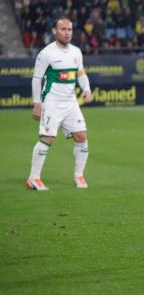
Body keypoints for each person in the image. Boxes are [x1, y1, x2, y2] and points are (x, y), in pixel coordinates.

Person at [27, 17, 92, 191]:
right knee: (48, 138)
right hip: (52, 102)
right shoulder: (46, 53)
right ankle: (34, 178)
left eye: (69, 29)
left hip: (71, 102)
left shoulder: (76, 52)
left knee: (81, 136)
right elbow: (37, 79)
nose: (67, 32)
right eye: (63, 29)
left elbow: (81, 73)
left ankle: (79, 176)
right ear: (55, 31)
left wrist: (86, 89)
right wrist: (37, 103)